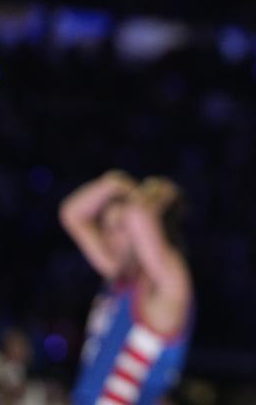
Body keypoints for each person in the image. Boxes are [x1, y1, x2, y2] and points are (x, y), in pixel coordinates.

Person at [59, 171, 194, 405]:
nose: (111, 239)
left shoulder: (169, 282)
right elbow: (72, 214)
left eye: (119, 228)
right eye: (106, 228)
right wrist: (111, 184)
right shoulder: (120, 275)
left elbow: (137, 215)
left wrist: (157, 195)